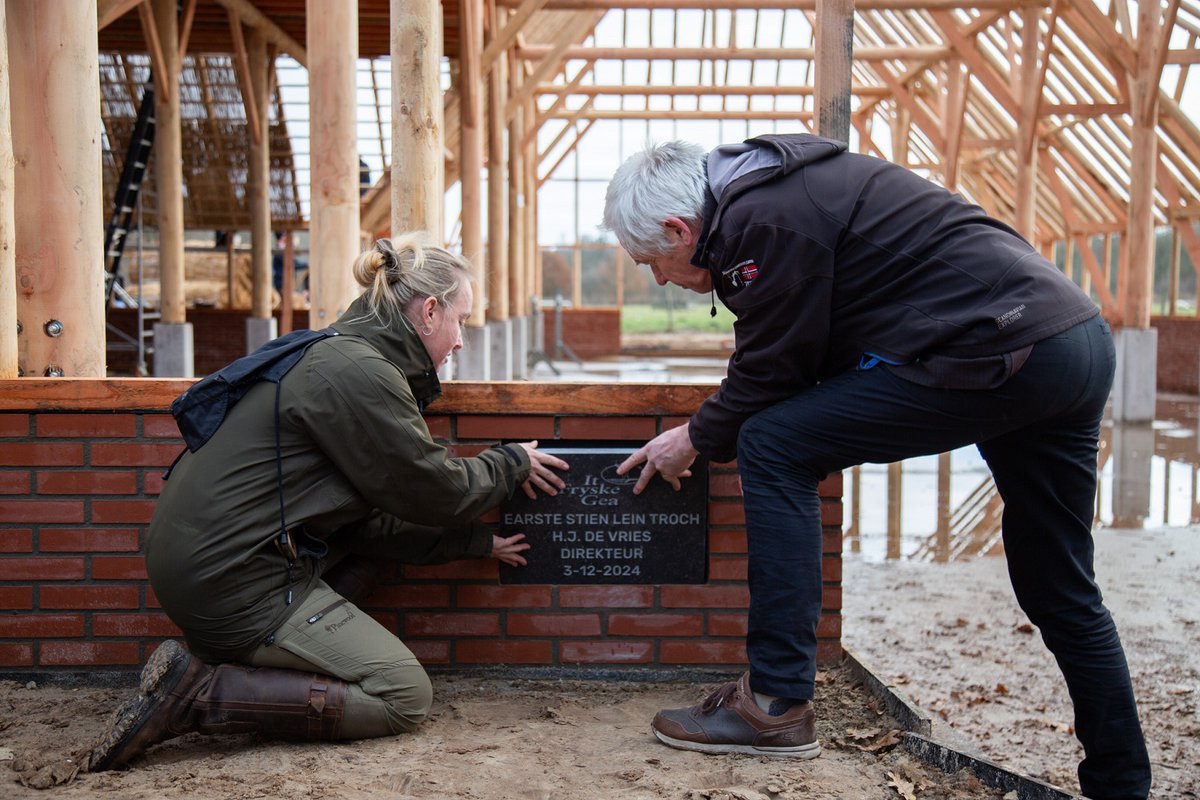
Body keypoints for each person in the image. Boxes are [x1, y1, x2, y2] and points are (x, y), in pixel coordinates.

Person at [604, 134, 1150, 800]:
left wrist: (695, 436)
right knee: (1060, 584)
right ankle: (1121, 782)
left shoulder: (760, 217)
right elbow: (809, 344)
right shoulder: (775, 193)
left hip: (1001, 347)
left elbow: (774, 368)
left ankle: (774, 703)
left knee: (774, 444)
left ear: (677, 227)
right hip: (1072, 343)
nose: (658, 278)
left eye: (652, 261)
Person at [89, 234, 569, 770]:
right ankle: (200, 697)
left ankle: (226, 667)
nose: (461, 341)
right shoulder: (358, 373)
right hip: (236, 582)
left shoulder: (336, 353)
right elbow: (435, 491)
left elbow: (369, 524)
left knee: (369, 560)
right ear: (430, 312)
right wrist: (511, 463)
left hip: (211, 567)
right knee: (404, 696)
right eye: (462, 320)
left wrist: (477, 541)